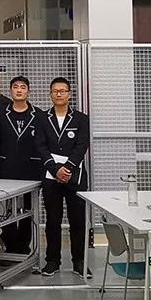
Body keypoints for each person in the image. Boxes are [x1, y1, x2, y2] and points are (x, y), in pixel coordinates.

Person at [36, 77, 90, 278]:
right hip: (51, 177)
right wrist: (55, 169)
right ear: (50, 94)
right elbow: (40, 146)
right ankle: (52, 261)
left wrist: (67, 168)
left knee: (78, 220)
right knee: (53, 220)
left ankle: (79, 261)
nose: (59, 94)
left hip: (75, 175)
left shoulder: (81, 119)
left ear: (69, 94)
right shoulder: (42, 118)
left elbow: (82, 145)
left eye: (62, 91)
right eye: (55, 91)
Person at [0, 76, 41, 255]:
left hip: (30, 170)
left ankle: (24, 246)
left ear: (28, 91)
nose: (19, 90)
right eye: (15, 87)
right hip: (6, 168)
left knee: (28, 208)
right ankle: (10, 246)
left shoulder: (38, 115)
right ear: (10, 90)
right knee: (8, 209)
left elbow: (42, 144)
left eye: (23, 87)